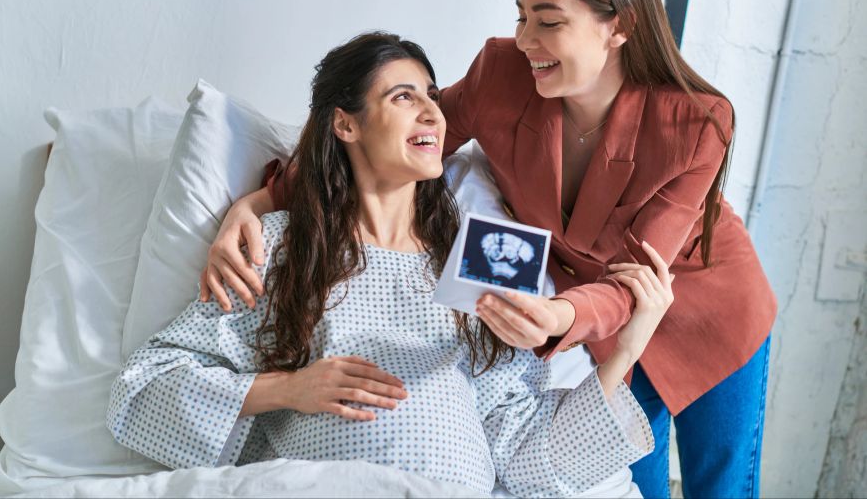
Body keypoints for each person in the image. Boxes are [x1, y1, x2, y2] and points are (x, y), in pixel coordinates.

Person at [201, 0, 777, 499]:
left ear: (619, 26)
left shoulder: (698, 124)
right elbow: (389, 145)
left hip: (696, 306)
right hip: (597, 324)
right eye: (521, 16)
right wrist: (258, 202)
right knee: (637, 486)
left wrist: (558, 317)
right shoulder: (502, 75)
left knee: (722, 489)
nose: (526, 39)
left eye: (548, 22)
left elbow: (638, 281)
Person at [108, 32, 678, 497]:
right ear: (346, 124)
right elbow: (141, 393)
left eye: (431, 95)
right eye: (403, 97)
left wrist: (628, 345)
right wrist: (287, 389)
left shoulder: (486, 259)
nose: (432, 110)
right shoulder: (283, 250)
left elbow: (531, 463)